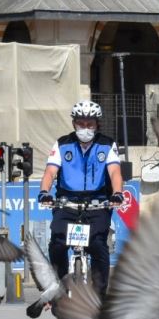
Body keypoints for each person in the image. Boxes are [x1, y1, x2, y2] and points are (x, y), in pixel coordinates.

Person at [37, 100, 124, 294]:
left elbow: (115, 172)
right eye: (81, 123)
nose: (85, 128)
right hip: (66, 202)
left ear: (97, 124)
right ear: (74, 123)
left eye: (90, 124)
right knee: (58, 244)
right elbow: (50, 172)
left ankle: (99, 296)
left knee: (98, 245)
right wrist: (44, 192)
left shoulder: (107, 145)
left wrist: (117, 194)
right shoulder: (62, 144)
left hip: (98, 203)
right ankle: (58, 287)